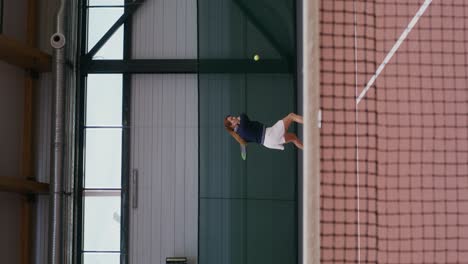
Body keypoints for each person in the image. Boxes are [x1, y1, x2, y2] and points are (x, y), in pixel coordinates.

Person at [224, 113, 303, 150]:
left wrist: (238, 121)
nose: (234, 117)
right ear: (232, 126)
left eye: (232, 117)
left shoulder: (240, 134)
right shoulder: (242, 127)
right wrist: (239, 119)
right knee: (291, 116)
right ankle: (311, 121)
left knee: (293, 137)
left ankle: (307, 149)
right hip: (270, 135)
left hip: (267, 143)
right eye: (232, 119)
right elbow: (243, 115)